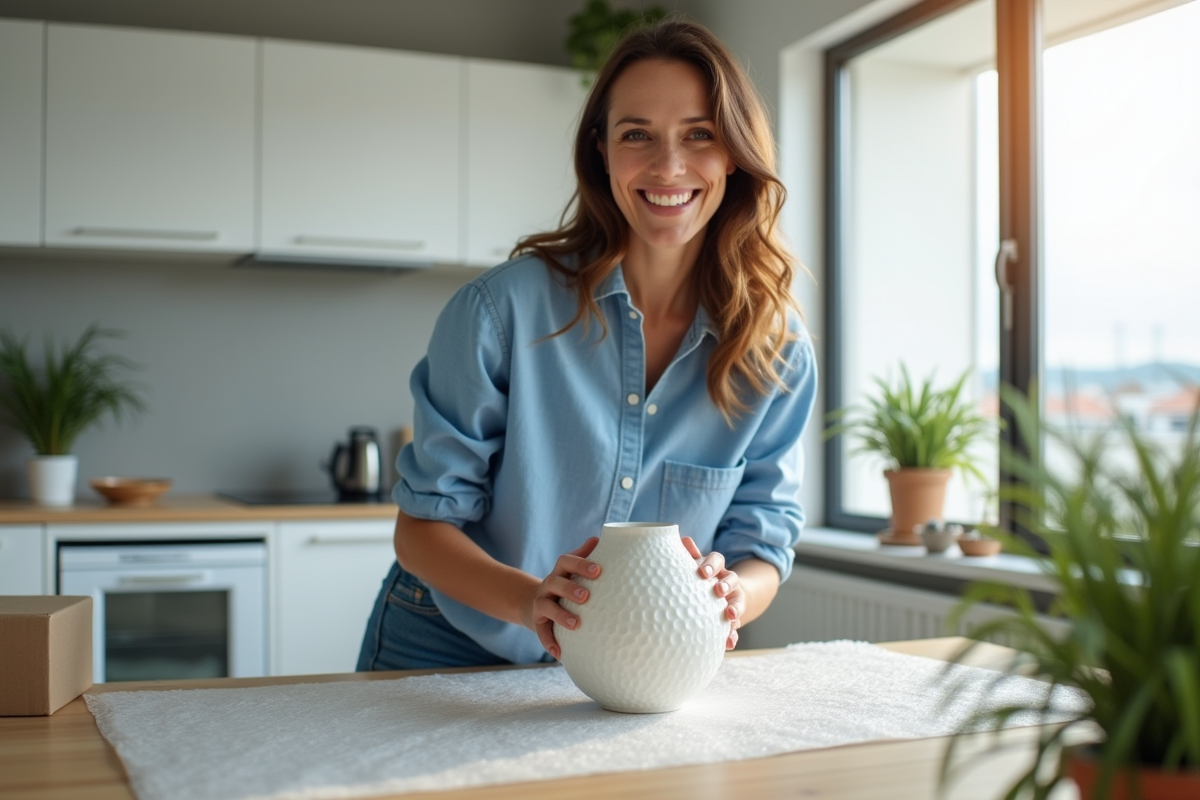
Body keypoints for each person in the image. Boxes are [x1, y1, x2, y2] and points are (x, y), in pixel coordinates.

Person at [357, 18, 817, 672]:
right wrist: (529, 601)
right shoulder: (500, 312)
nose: (668, 166)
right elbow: (422, 531)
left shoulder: (775, 351)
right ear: (601, 150)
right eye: (638, 135)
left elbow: (764, 547)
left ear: (735, 154)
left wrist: (730, 594)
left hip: (635, 662)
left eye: (699, 135)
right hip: (447, 641)